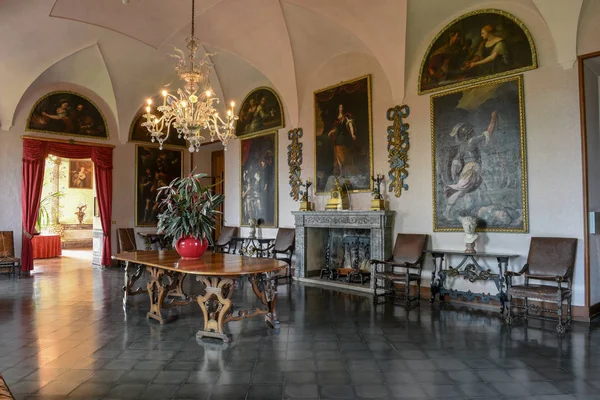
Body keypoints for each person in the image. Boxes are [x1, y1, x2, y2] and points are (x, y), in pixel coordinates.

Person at [443, 110, 498, 220]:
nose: (473, 131)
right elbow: (489, 131)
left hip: (470, 169)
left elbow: (456, 162)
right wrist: (493, 118)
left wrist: (455, 176)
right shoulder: (472, 141)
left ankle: (479, 205)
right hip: (472, 169)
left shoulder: (462, 145)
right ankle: (447, 211)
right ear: (469, 132)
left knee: (467, 190)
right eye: (471, 130)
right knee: (460, 191)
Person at [327, 103, 357, 177]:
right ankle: (341, 173)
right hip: (338, 138)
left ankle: (345, 173)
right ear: (338, 108)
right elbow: (336, 128)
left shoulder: (346, 116)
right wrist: (331, 131)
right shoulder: (337, 118)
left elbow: (350, 125)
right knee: (337, 155)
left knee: (343, 154)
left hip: (343, 137)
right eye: (340, 107)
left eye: (342, 107)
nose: (341, 108)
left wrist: (352, 134)